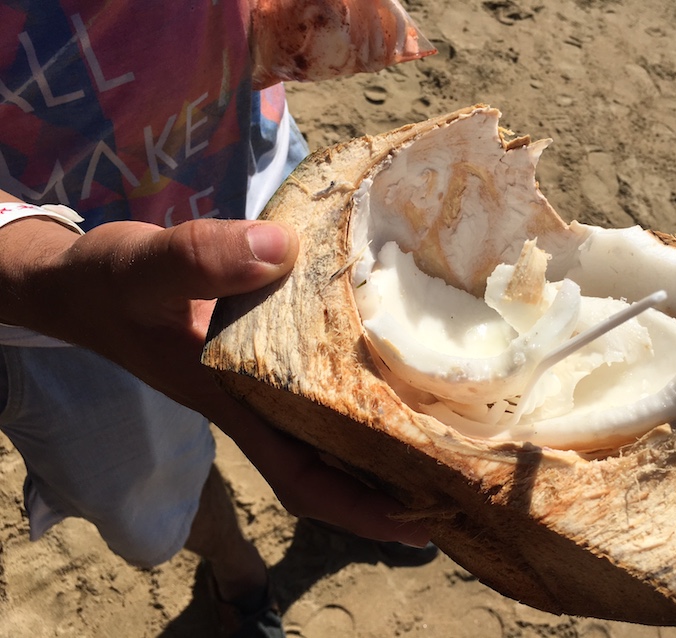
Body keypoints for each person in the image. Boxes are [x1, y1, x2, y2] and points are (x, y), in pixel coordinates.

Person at [0, 1, 434, 636]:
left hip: (257, 163)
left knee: (340, 410)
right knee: (150, 495)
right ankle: (237, 575)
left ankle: (340, 510)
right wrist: (47, 270)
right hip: (54, 305)